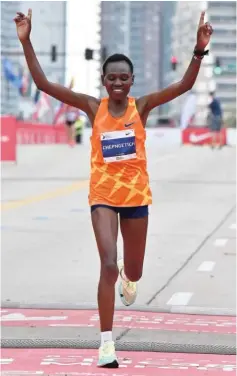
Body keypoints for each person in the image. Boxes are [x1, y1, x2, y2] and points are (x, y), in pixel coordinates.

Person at [14, 9, 213, 368]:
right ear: (104, 81)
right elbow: (44, 85)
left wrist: (198, 51)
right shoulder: (93, 108)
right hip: (103, 197)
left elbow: (183, 86)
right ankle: (106, 343)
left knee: (131, 271)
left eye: (124, 78)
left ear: (131, 80)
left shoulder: (143, 106)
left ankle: (129, 275)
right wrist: (27, 41)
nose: (118, 83)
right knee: (107, 264)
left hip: (136, 199)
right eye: (112, 78)